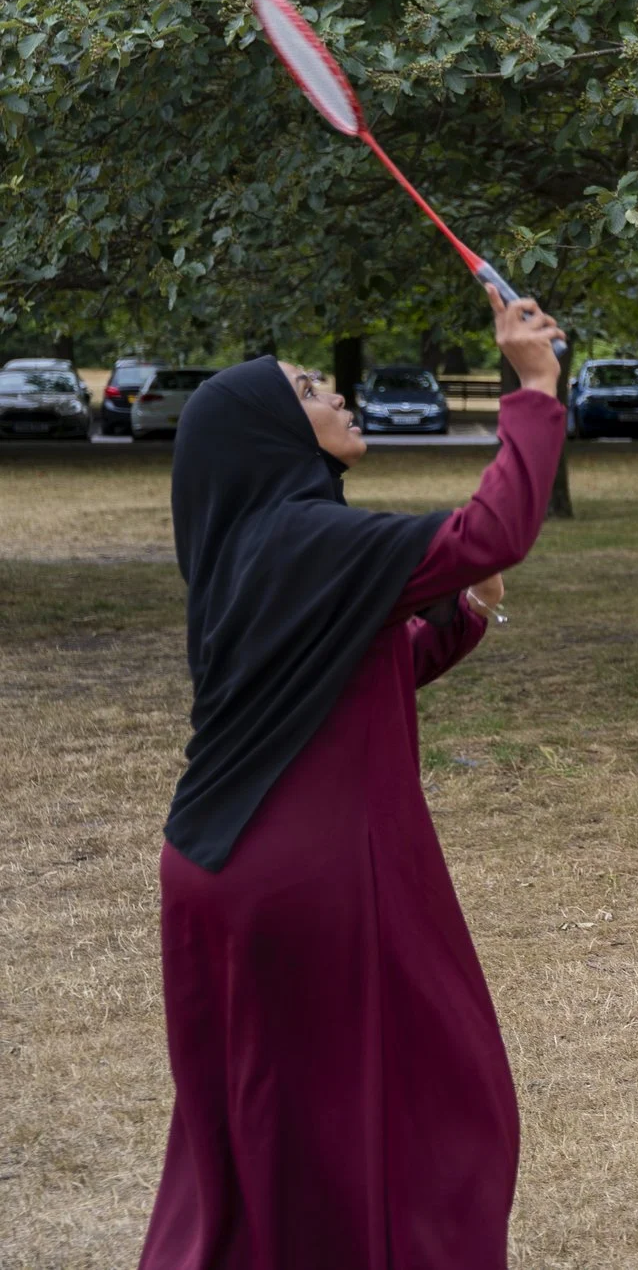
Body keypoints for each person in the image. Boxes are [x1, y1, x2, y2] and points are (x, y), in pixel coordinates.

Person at [141, 288, 569, 1267]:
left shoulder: (253, 551)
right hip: (310, 880)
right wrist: (534, 384)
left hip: (219, 878)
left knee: (270, 1130)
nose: (332, 390)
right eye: (306, 388)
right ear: (267, 433)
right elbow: (494, 531)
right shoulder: (310, 541)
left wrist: (463, 615)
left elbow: (361, 675)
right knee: (430, 1103)